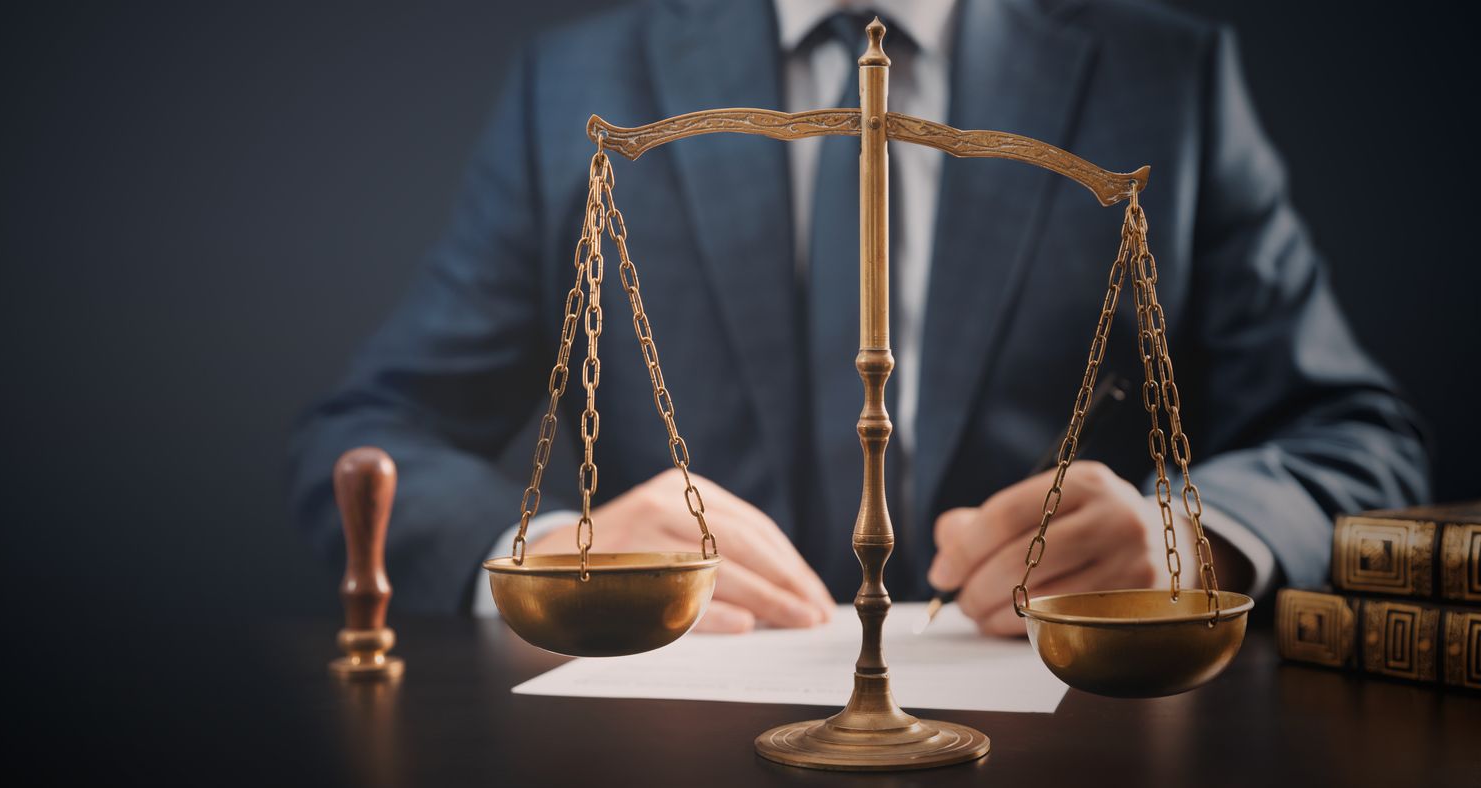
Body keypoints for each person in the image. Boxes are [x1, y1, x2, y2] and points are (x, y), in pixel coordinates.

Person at [287, 0, 1428, 635]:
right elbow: (369, 440)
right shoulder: (578, 81)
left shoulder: (1164, 79)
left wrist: (1189, 538)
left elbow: (1360, 441)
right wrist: (553, 551)